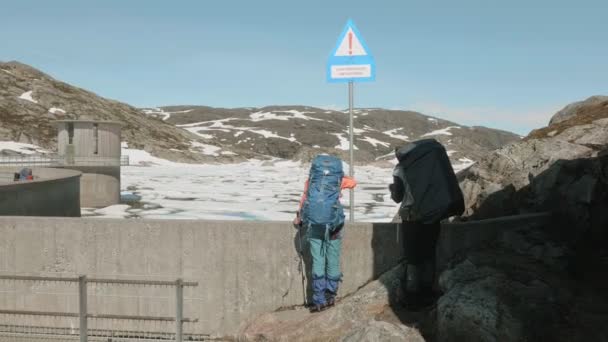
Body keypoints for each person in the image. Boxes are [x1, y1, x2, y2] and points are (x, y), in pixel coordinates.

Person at [389, 140, 464, 310]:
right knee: (429, 253)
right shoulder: (430, 162)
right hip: (433, 216)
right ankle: (428, 291)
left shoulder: (401, 169)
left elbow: (398, 197)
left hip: (412, 217)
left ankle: (413, 295)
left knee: (413, 257)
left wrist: (392, 188)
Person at [293, 155, 357, 312]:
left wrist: (299, 217)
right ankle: (330, 296)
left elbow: (305, 198)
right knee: (333, 259)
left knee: (318, 260)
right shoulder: (338, 180)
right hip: (334, 225)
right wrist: (340, 180)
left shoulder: (311, 181)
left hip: (315, 226)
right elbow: (353, 183)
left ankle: (318, 300)